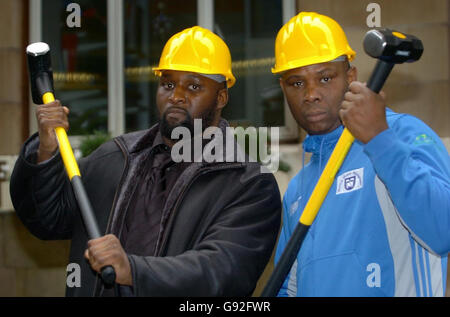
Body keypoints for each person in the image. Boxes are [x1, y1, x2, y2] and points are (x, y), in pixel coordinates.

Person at [10, 26, 281, 296]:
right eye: (168, 84)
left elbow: (223, 273)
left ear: (221, 97)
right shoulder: (115, 158)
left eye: (194, 86)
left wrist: (133, 271)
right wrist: (45, 153)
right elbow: (47, 220)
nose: (176, 95)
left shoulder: (249, 185)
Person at [272, 12, 450, 296]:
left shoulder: (402, 134)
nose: (311, 93)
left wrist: (380, 138)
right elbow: (287, 287)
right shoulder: (298, 189)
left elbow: (443, 230)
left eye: (325, 77)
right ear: (283, 88)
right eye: (296, 83)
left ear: (351, 77)